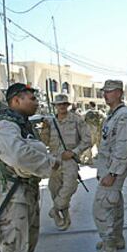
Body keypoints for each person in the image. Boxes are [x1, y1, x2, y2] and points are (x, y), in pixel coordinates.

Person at [0, 83, 60, 252]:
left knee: (24, 248)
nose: (37, 103)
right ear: (16, 100)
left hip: (23, 194)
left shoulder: (20, 124)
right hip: (10, 198)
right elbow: (19, 156)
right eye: (32, 99)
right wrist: (50, 163)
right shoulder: (3, 125)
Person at [88, 80, 127, 252]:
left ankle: (109, 248)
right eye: (104, 91)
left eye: (109, 91)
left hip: (114, 169)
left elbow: (124, 147)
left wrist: (113, 174)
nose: (105, 94)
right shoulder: (114, 114)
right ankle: (117, 239)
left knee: (101, 207)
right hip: (110, 167)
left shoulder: (122, 116)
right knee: (114, 203)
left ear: (119, 93)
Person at [40, 94, 91, 230]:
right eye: (59, 104)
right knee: (54, 189)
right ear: (55, 106)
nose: (61, 106)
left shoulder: (76, 120)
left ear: (68, 105)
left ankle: (55, 209)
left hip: (69, 161)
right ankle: (63, 215)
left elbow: (87, 139)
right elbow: (43, 143)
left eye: (64, 104)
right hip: (54, 160)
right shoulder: (50, 121)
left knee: (70, 187)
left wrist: (74, 152)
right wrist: (44, 129)